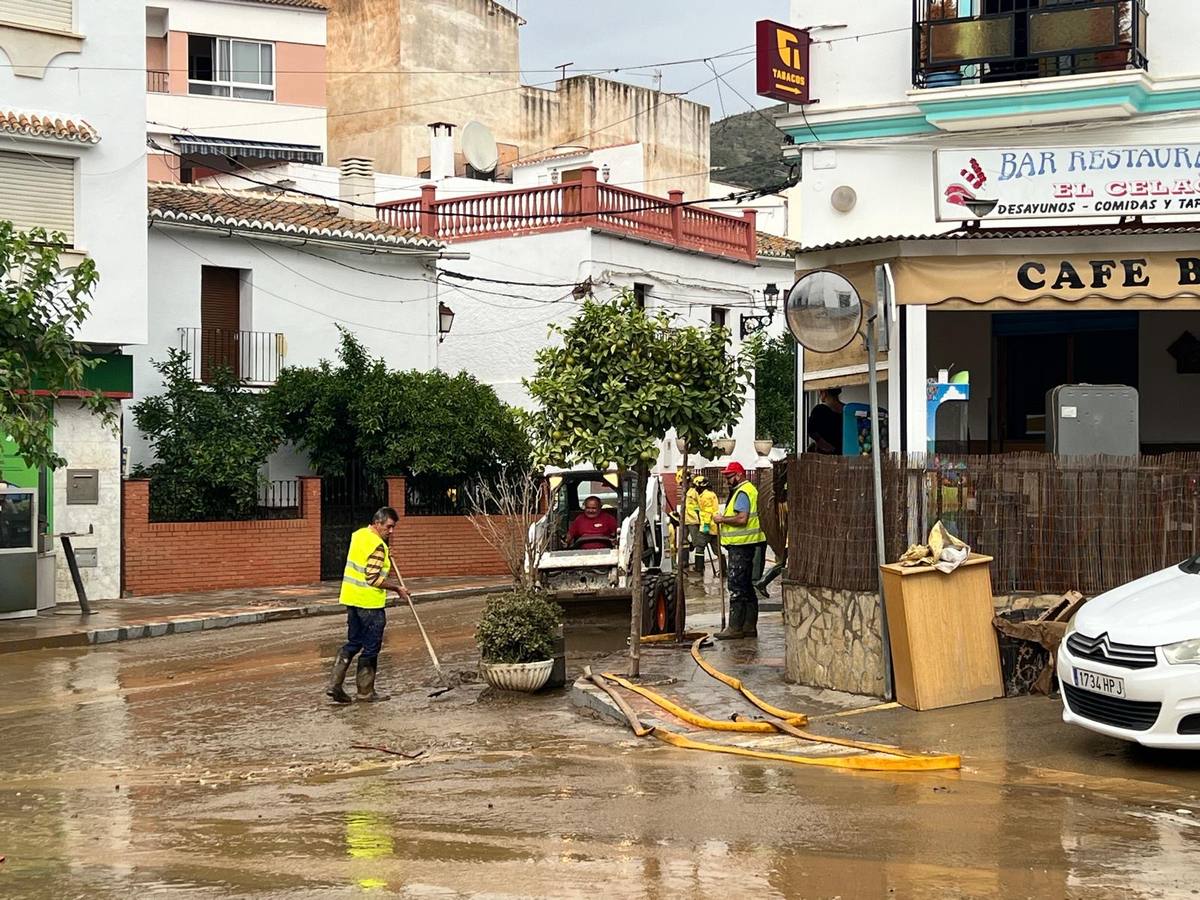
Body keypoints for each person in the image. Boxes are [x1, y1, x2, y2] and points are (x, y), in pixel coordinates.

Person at [326, 507, 409, 704]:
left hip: (351, 599)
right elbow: (372, 578)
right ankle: (365, 692)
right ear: (378, 523)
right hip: (369, 603)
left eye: (393, 527)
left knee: (353, 643)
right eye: (389, 527)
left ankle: (334, 684)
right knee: (371, 648)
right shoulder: (378, 546)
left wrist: (386, 552)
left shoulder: (359, 535)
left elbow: (364, 561)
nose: (391, 531)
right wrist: (396, 588)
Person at [711, 461, 767, 640]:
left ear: (739, 475)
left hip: (741, 546)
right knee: (746, 587)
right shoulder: (749, 490)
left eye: (729, 477)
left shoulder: (743, 492)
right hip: (748, 544)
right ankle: (749, 626)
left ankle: (735, 627)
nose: (727, 480)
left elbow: (742, 519)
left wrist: (722, 519)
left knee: (736, 586)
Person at [685, 474, 719, 578]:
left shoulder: (705, 496)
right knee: (717, 550)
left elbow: (707, 511)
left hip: (707, 527)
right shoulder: (711, 494)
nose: (696, 489)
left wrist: (706, 526)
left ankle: (698, 569)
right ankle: (724, 570)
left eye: (697, 487)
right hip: (714, 527)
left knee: (699, 547)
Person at [807, 387, 845, 455]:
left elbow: (809, 429)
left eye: (820, 392)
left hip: (825, 456)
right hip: (846, 454)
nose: (819, 395)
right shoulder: (847, 410)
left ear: (824, 393)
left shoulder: (819, 410)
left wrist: (824, 445)